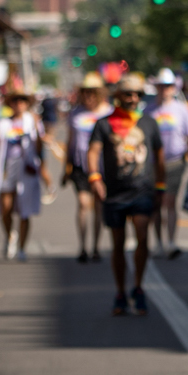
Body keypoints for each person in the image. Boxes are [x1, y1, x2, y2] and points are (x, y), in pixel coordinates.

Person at [89, 74, 159, 315]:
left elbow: (159, 154)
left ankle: (138, 287)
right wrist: (95, 178)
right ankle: (120, 291)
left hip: (142, 190)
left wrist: (160, 186)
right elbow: (93, 152)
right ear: (118, 97)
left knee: (142, 236)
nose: (133, 99)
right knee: (117, 244)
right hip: (115, 193)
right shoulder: (104, 124)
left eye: (137, 94)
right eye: (128, 94)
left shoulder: (149, 123)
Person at [0, 87, 44, 260]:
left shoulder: (32, 122)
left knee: (24, 211)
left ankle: (22, 248)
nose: (19, 104)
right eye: (15, 101)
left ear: (27, 104)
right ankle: (10, 235)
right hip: (7, 169)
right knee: (5, 208)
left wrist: (38, 131)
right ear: (10, 104)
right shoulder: (3, 123)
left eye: (22, 101)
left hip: (26, 169)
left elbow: (40, 149)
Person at [149, 70, 188, 261]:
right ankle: (158, 242)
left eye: (168, 86)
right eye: (161, 86)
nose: (164, 90)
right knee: (156, 204)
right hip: (154, 165)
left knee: (170, 202)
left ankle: (171, 241)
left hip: (175, 162)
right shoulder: (148, 110)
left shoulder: (182, 109)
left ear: (173, 88)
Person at [66, 73, 108, 263]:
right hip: (81, 166)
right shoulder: (75, 113)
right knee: (84, 204)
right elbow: (70, 141)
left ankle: (96, 247)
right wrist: (66, 166)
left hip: (102, 167)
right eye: (85, 93)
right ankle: (83, 246)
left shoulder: (107, 112)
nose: (89, 97)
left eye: (93, 93)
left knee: (98, 207)